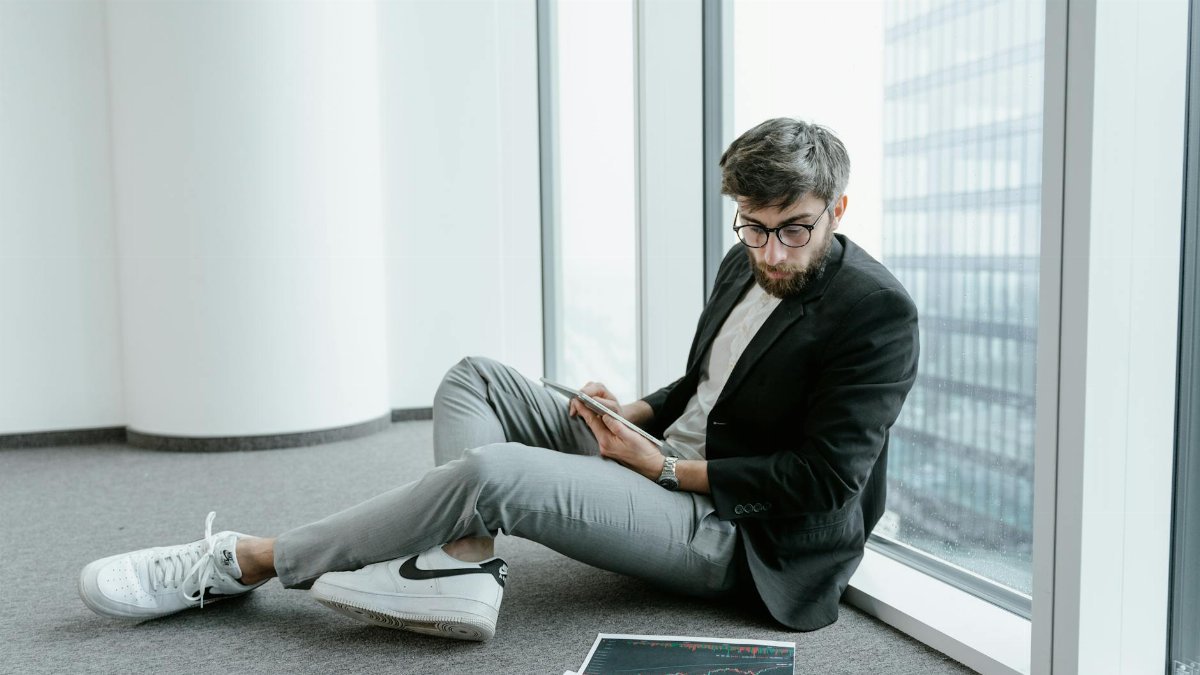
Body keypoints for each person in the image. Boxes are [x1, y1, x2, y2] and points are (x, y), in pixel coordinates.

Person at [77, 118, 919, 641]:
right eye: (754, 228)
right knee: (475, 377)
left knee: (492, 472)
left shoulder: (879, 313)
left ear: (837, 209)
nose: (770, 252)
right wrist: (625, 414)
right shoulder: (748, 261)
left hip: (736, 532)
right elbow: (709, 381)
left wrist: (662, 467)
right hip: (661, 454)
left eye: (793, 232)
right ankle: (463, 562)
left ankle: (249, 560)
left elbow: (823, 480)